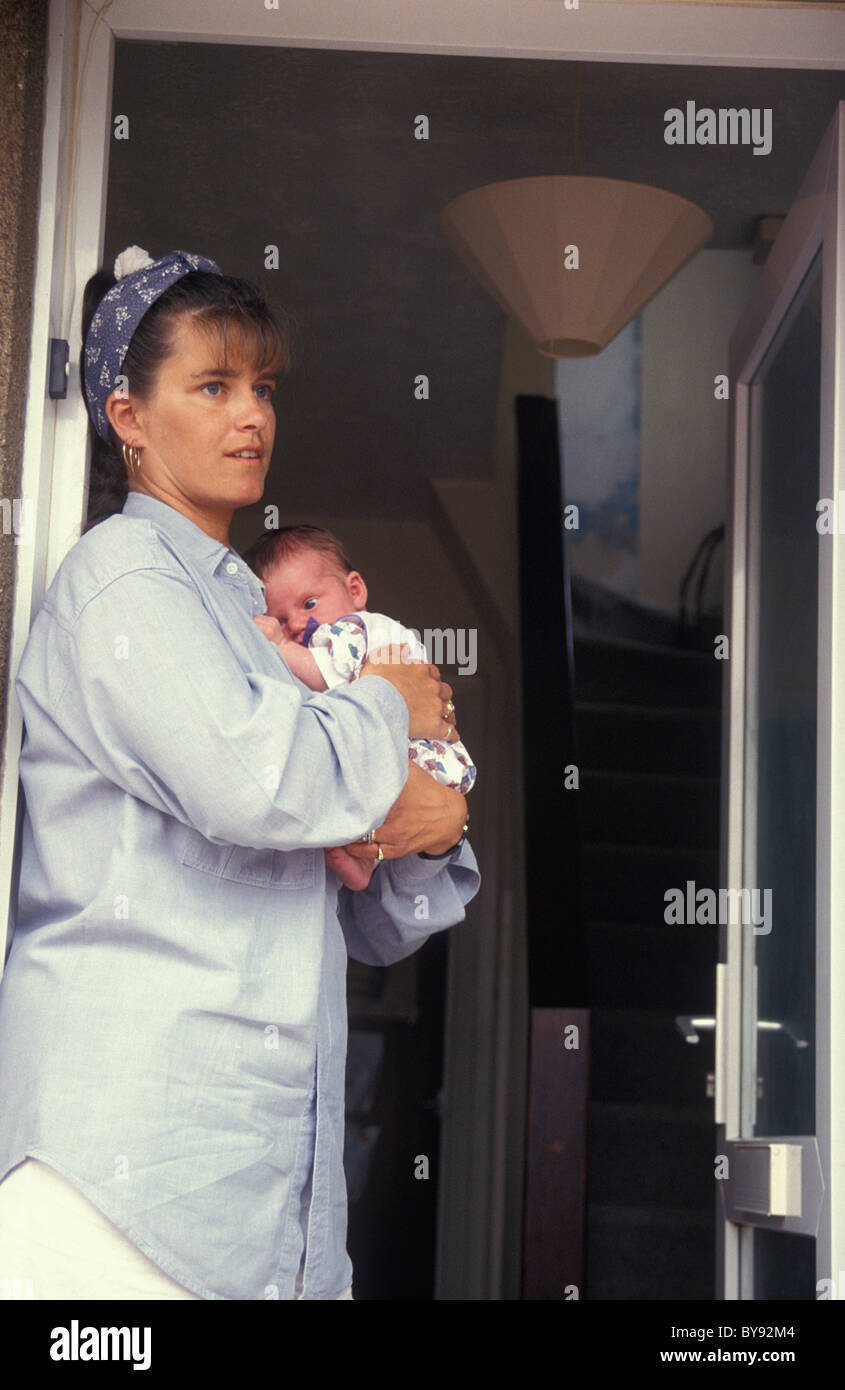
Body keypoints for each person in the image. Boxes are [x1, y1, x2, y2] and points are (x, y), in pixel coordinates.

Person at [0, 246, 480, 1301]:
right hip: (119, 1187)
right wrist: (389, 704)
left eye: (260, 387)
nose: (250, 415)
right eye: (211, 386)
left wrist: (430, 829)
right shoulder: (123, 582)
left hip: (253, 1194)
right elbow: (264, 784)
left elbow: (366, 917)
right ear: (127, 415)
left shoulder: (244, 612)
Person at [243, 524, 477, 892]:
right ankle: (363, 865)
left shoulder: (356, 630)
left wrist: (279, 645)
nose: (299, 624)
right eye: (283, 620)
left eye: (309, 604)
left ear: (355, 590)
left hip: (419, 757)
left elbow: (324, 675)